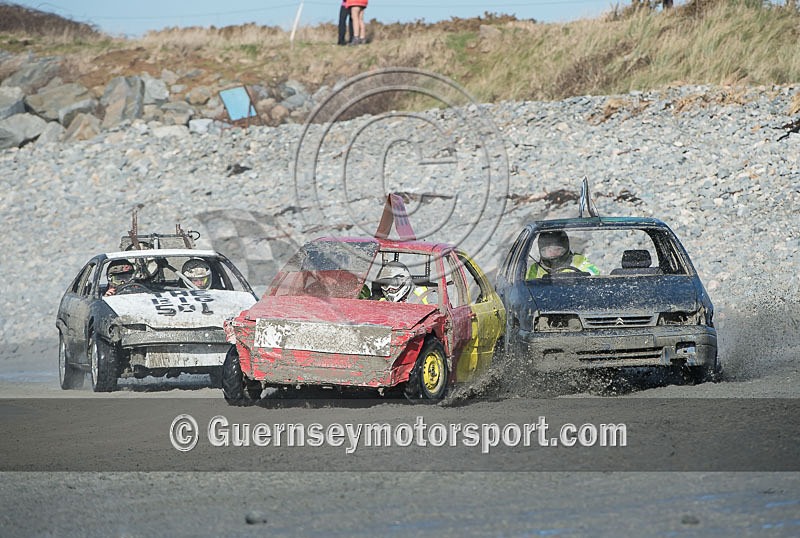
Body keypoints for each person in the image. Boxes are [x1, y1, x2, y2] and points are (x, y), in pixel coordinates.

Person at [527, 231, 599, 279]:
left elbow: (595, 277)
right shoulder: (534, 269)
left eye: (557, 249)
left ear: (566, 249)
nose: (552, 253)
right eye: (548, 250)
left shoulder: (579, 261)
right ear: (541, 251)